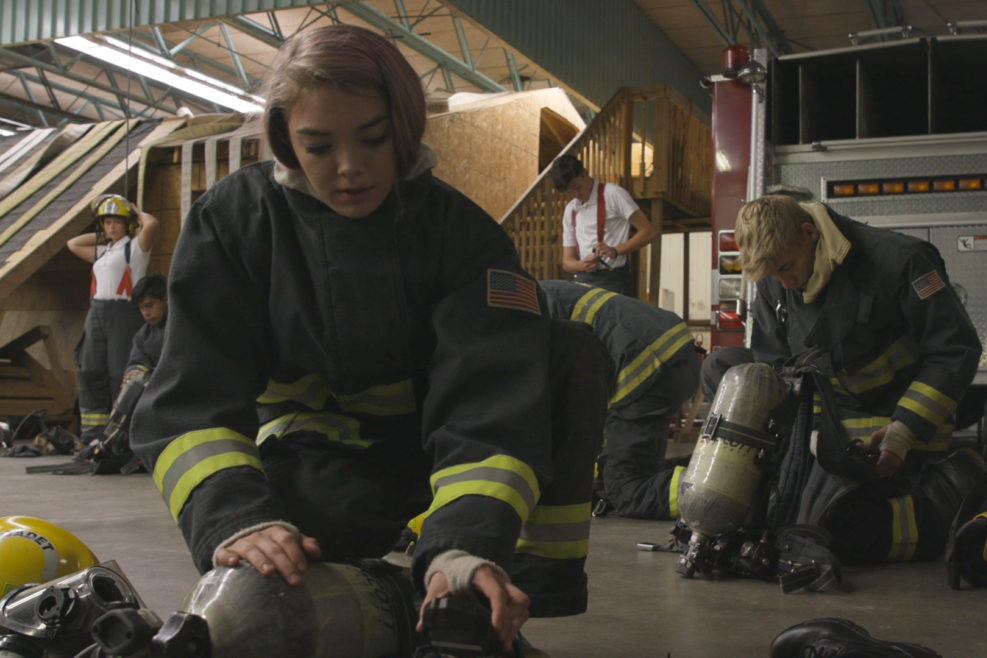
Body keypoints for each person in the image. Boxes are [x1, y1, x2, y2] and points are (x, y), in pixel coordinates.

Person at [129, 24, 608, 653]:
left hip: (435, 467)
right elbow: (190, 401)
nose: (349, 168)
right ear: (283, 139)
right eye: (318, 145)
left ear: (405, 128)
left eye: (373, 139)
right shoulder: (233, 223)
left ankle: (488, 592)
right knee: (265, 603)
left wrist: (464, 548)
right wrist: (238, 519)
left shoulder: (464, 237)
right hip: (307, 471)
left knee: (567, 351)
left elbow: (490, 409)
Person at [705, 194, 986, 565]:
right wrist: (797, 433)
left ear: (809, 233)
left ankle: (946, 498)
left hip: (892, 419)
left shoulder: (901, 261)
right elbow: (774, 362)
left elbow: (955, 351)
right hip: (825, 418)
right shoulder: (777, 275)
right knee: (724, 368)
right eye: (773, 275)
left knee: (833, 533)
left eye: (788, 268)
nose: (785, 284)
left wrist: (906, 430)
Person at [539, 280, 701, 520]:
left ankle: (721, 494)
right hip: (672, 353)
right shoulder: (534, 293)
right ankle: (714, 471)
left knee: (627, 490)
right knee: (618, 477)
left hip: (646, 364)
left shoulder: (517, 315)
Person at [66, 194, 158, 444]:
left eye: (116, 222)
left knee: (120, 373)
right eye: (106, 222)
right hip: (96, 312)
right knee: (90, 370)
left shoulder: (135, 248)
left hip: (123, 313)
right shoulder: (104, 251)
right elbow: (72, 244)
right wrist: (102, 236)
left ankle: (123, 434)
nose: (111, 227)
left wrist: (134, 211)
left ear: (127, 224)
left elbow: (151, 224)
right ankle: (93, 435)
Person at [552, 154, 659, 296]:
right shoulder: (571, 210)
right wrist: (582, 265)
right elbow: (567, 262)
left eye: (577, 187)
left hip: (614, 281)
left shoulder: (613, 194)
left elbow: (650, 232)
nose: (576, 194)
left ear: (585, 172)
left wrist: (615, 250)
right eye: (570, 192)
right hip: (583, 281)